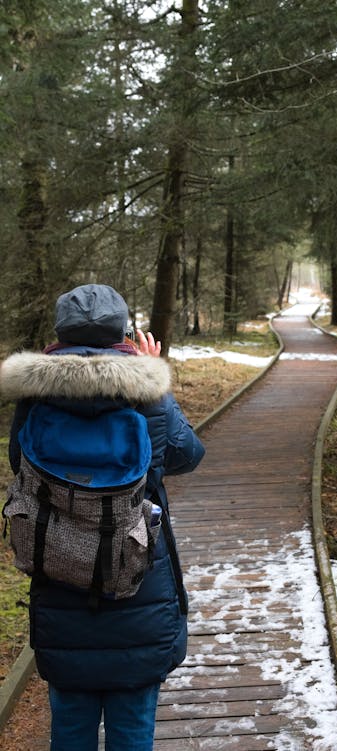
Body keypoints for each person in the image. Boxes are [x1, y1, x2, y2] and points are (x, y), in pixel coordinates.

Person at [2, 284, 205, 751]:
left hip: (60, 587)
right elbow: (186, 454)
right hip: (138, 592)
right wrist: (155, 379)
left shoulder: (35, 397)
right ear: (123, 332)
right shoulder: (143, 392)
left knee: (69, 730)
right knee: (132, 730)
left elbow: (20, 463)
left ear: (60, 331)